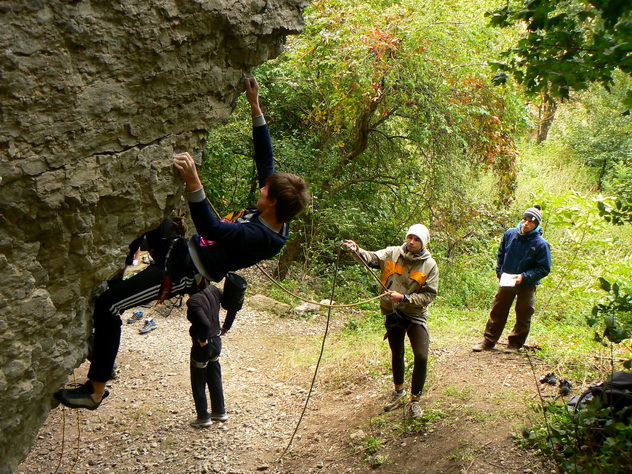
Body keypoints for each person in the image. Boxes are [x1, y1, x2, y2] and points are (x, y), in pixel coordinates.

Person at [55, 77, 309, 410]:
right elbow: (267, 162)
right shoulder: (278, 212)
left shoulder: (263, 237)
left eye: (265, 192)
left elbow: (210, 226)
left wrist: (194, 182)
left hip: (183, 273)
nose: (261, 189)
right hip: (181, 249)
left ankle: (95, 390)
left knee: (109, 306)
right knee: (149, 225)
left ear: (273, 202)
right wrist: (255, 105)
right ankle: (104, 340)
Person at [343, 224, 439, 418]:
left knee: (421, 356)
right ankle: (399, 391)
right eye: (409, 237)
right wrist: (357, 250)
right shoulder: (392, 253)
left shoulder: (430, 266)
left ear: (424, 243)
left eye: (416, 239)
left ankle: (415, 401)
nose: (411, 242)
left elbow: (429, 296)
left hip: (414, 315)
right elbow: (371, 258)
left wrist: (404, 298)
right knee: (397, 352)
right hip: (392, 312)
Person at [472, 205, 551, 354]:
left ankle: (514, 345)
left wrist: (524, 277)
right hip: (506, 280)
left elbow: (544, 268)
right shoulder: (510, 234)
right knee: (498, 310)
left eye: (530, 222)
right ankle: (488, 342)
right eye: (524, 219)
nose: (526, 223)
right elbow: (501, 252)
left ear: (536, 225)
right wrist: (500, 271)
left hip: (527, 284)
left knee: (524, 314)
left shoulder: (541, 244)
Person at [187, 273, 247, 427]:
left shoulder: (193, 301)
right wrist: (226, 327)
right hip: (216, 342)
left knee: (198, 380)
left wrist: (202, 340)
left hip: (204, 346)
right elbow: (233, 304)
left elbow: (205, 324)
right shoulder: (213, 290)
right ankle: (219, 411)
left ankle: (203, 417)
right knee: (214, 375)